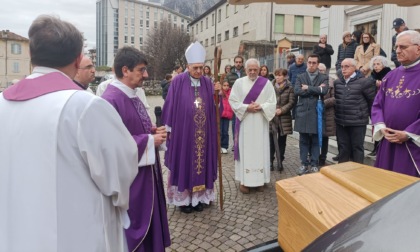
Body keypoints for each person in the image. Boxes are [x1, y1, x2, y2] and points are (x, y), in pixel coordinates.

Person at [0, 15, 138, 252]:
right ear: (77, 60)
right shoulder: (86, 107)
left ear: (32, 56)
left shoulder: (2, 103)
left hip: (14, 232)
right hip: (77, 235)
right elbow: (120, 170)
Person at [102, 46, 170, 251]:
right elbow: (111, 144)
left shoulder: (132, 93)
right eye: (141, 70)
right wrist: (149, 141)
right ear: (125, 70)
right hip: (132, 181)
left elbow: (130, 128)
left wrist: (152, 130)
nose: (146, 75)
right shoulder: (110, 100)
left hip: (146, 172)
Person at [162, 41, 219, 214]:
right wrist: (169, 130)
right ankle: (184, 200)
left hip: (204, 133)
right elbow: (170, 105)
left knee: (202, 162)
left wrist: (218, 95)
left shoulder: (208, 83)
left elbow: (215, 109)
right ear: (188, 66)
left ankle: (199, 197)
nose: (199, 71)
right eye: (195, 68)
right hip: (184, 133)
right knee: (184, 162)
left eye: (201, 67)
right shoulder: (178, 81)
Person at [372, 30, 420, 177]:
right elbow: (377, 104)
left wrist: (409, 133)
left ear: (418, 48)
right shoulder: (390, 76)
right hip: (388, 142)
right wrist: (381, 127)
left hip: (412, 145)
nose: (398, 51)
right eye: (396, 47)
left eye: (403, 47)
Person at [229, 58, 276, 193]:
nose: (253, 72)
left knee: (260, 150)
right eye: (250, 69)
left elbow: (272, 102)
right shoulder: (239, 83)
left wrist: (261, 106)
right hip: (245, 123)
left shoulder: (266, 83)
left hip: (260, 123)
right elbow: (233, 100)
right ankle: (245, 181)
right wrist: (246, 107)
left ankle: (260, 180)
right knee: (246, 151)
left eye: (255, 69)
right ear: (245, 70)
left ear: (259, 69)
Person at [334, 58, 376, 164]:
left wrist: (374, 120)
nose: (343, 69)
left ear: (354, 67)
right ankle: (341, 172)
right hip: (341, 121)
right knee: (343, 148)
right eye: (342, 66)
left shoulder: (364, 82)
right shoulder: (338, 82)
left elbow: (372, 101)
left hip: (357, 121)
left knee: (357, 148)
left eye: (347, 66)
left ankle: (358, 173)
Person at [294, 54, 328, 175]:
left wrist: (307, 88)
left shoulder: (324, 77)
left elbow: (324, 91)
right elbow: (297, 91)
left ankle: (314, 164)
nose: (311, 65)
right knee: (303, 140)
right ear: (307, 63)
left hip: (316, 112)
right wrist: (316, 89)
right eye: (309, 62)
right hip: (303, 112)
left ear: (318, 64)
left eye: (314, 63)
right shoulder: (300, 76)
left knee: (315, 139)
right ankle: (304, 164)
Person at [269, 68, 295, 171]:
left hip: (284, 117)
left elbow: (292, 102)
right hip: (272, 116)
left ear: (285, 76)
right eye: (276, 75)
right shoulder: (270, 86)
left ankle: (280, 161)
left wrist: (282, 110)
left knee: (282, 141)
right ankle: (270, 161)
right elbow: (267, 99)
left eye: (280, 75)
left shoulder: (290, 87)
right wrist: (273, 109)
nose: (278, 77)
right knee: (271, 140)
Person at [367, 56, 392, 157]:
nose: (376, 66)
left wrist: (381, 85)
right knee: (375, 126)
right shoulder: (372, 76)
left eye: (378, 64)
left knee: (384, 126)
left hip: (386, 105)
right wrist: (374, 84)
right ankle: (375, 148)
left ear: (384, 65)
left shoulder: (389, 74)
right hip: (374, 105)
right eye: (374, 64)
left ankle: (384, 149)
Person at [318, 63, 336, 166]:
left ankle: (323, 158)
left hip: (327, 113)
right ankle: (314, 156)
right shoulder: (312, 80)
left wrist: (322, 104)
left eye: (322, 70)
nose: (320, 72)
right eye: (319, 70)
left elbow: (334, 98)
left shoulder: (331, 82)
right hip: (315, 113)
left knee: (325, 137)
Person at [226, 55, 246, 145]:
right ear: (234, 63)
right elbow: (227, 86)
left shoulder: (246, 73)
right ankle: (236, 142)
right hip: (235, 101)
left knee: (245, 121)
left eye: (240, 62)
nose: (238, 64)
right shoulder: (229, 74)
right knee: (235, 123)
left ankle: (244, 141)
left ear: (242, 63)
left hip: (245, 101)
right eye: (236, 62)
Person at [221, 80, 234, 154]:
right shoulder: (220, 93)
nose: (226, 87)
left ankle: (224, 146)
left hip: (227, 115)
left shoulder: (231, 93)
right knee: (219, 131)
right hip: (220, 114)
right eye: (224, 85)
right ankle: (218, 145)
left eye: (227, 85)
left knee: (225, 131)